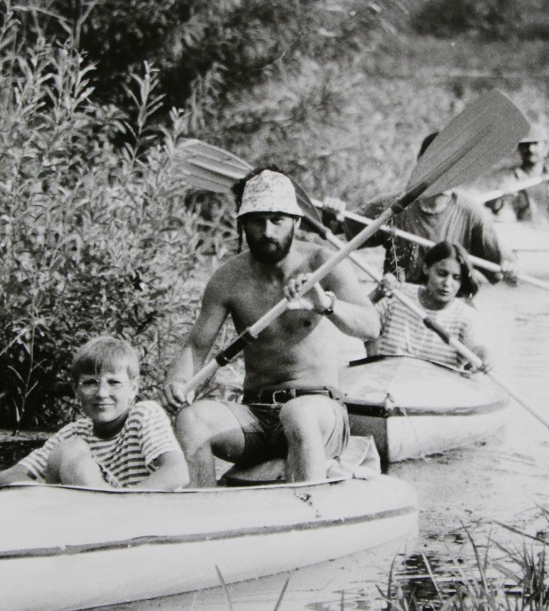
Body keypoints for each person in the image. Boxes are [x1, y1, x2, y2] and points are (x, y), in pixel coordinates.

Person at [163, 168, 380, 487]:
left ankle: (310, 513)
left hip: (318, 411)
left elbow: (371, 326)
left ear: (296, 221)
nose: (267, 230)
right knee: (191, 419)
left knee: (298, 414)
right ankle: (204, 516)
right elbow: (196, 346)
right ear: (242, 223)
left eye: (277, 219)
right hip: (256, 415)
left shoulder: (324, 262)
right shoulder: (228, 278)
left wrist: (327, 305)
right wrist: (179, 381)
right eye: (257, 220)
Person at [321, 132, 519, 287]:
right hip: (402, 299)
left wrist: (511, 268)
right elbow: (333, 228)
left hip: (451, 304)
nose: (448, 173)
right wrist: (331, 212)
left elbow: (506, 276)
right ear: (421, 164)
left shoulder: (472, 214)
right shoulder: (391, 205)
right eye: (440, 164)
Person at [0, 336, 189, 490]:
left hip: (140, 513)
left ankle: (102, 509)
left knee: (72, 453)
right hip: (93, 514)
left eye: (114, 383)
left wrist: (123, 502)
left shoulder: (144, 414)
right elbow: (7, 477)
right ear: (75, 390)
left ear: (133, 387)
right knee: (68, 449)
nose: (102, 394)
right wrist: (43, 493)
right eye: (90, 383)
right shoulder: (73, 432)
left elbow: (177, 472)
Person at [366, 242, 491, 372]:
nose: (447, 283)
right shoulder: (398, 295)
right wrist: (377, 294)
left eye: (456, 278)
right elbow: (358, 319)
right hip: (384, 380)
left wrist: (484, 360)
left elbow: (479, 348)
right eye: (442, 274)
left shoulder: (466, 316)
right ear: (426, 268)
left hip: (434, 388)